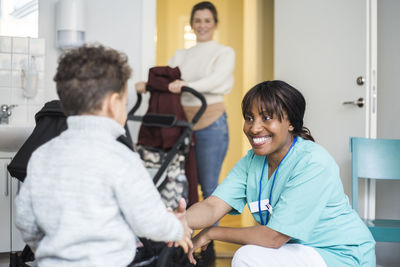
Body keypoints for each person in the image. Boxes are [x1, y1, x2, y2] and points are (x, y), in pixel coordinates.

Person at [14, 45, 192, 267]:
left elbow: (25, 219)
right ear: (112, 103)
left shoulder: (42, 155)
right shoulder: (121, 157)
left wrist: (47, 252)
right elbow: (148, 220)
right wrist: (177, 227)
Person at [184, 80, 376, 267]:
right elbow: (212, 207)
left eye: (266, 118)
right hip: (296, 252)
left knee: (247, 256)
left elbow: (274, 237)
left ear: (291, 122)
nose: (254, 128)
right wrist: (177, 222)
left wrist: (211, 233)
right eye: (249, 118)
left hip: (341, 255)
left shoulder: (313, 162)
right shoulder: (252, 162)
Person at [136, 1, 235, 264]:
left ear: (215, 24)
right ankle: (182, 241)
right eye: (198, 20)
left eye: (207, 20)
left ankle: (208, 243)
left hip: (210, 121)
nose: (202, 25)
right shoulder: (181, 54)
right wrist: (148, 85)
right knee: (183, 183)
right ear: (192, 24)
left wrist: (186, 84)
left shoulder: (224, 52)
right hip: (181, 123)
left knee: (209, 185)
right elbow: (167, 81)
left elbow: (218, 80)